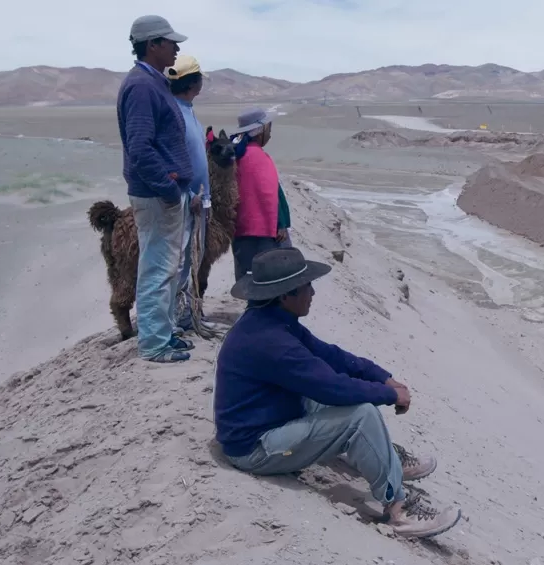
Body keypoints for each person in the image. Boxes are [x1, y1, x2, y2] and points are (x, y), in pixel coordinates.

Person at [212, 248, 462, 539]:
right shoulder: (271, 341)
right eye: (307, 286)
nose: (313, 293)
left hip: (270, 420)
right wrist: (390, 395)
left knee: (333, 397)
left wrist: (383, 377)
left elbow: (330, 355)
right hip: (255, 450)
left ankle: (386, 460)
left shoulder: (270, 320)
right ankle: (398, 509)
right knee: (360, 415)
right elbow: (333, 388)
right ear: (285, 295)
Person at [117, 15, 195, 363]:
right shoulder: (142, 87)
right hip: (156, 195)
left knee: (166, 267)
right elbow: (140, 147)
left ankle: (163, 332)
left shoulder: (153, 82)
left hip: (162, 193)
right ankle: (153, 344)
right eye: (170, 41)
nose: (176, 47)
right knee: (157, 268)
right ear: (152, 44)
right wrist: (167, 188)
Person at [166, 54, 215, 333]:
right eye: (199, 79)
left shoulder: (188, 111)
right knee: (180, 261)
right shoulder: (175, 114)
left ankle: (186, 315)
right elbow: (172, 160)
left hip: (197, 201)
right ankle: (173, 319)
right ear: (192, 83)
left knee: (191, 259)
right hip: (186, 200)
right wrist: (189, 193)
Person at [228, 107, 293, 281]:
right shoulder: (258, 157)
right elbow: (268, 194)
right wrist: (280, 223)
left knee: (247, 280)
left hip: (241, 231)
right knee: (270, 281)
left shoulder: (237, 155)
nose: (270, 134)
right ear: (260, 131)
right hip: (264, 233)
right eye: (269, 129)